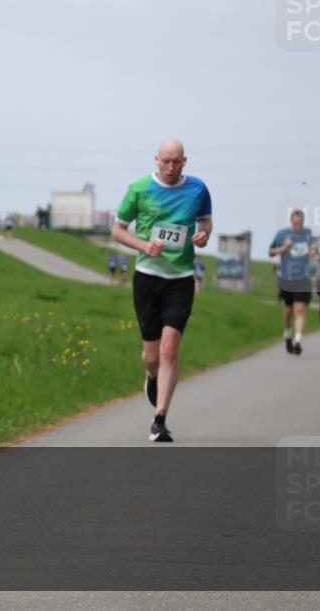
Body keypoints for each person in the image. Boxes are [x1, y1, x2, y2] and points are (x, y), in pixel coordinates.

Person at [111, 138, 212, 442]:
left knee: (170, 348)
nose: (170, 167)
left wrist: (204, 235)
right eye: (165, 161)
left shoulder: (198, 189)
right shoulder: (139, 188)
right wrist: (143, 245)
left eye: (176, 161)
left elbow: (206, 222)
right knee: (151, 354)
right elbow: (117, 229)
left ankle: (160, 419)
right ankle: (152, 376)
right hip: (147, 277)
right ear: (156, 160)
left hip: (181, 279)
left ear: (185, 161)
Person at [269, 210, 313, 354]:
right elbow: (270, 252)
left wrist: (314, 254)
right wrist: (284, 248)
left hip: (303, 279)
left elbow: (313, 251)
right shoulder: (282, 234)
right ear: (291, 222)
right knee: (289, 310)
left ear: (303, 222)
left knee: (299, 309)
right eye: (295, 224)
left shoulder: (308, 234)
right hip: (287, 279)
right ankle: (288, 333)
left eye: (300, 224)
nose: (298, 226)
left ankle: (298, 340)